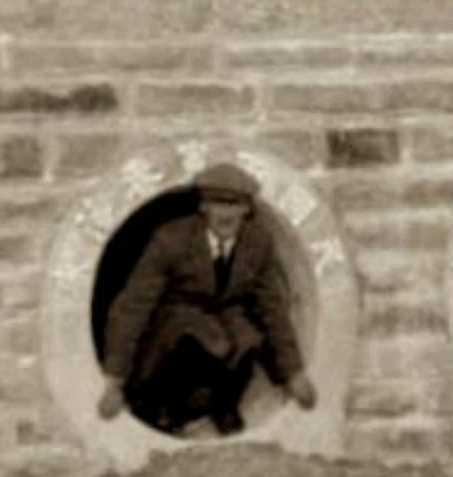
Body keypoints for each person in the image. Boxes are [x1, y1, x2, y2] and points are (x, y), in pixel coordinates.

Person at [97, 163, 317, 436]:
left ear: (247, 209)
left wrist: (293, 374)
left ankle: (223, 405)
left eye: (234, 204)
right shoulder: (171, 239)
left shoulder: (257, 243)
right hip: (176, 322)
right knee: (199, 340)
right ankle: (164, 406)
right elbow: (133, 306)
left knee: (246, 336)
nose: (225, 214)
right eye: (217, 203)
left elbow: (273, 308)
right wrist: (114, 379)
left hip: (227, 316)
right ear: (203, 207)